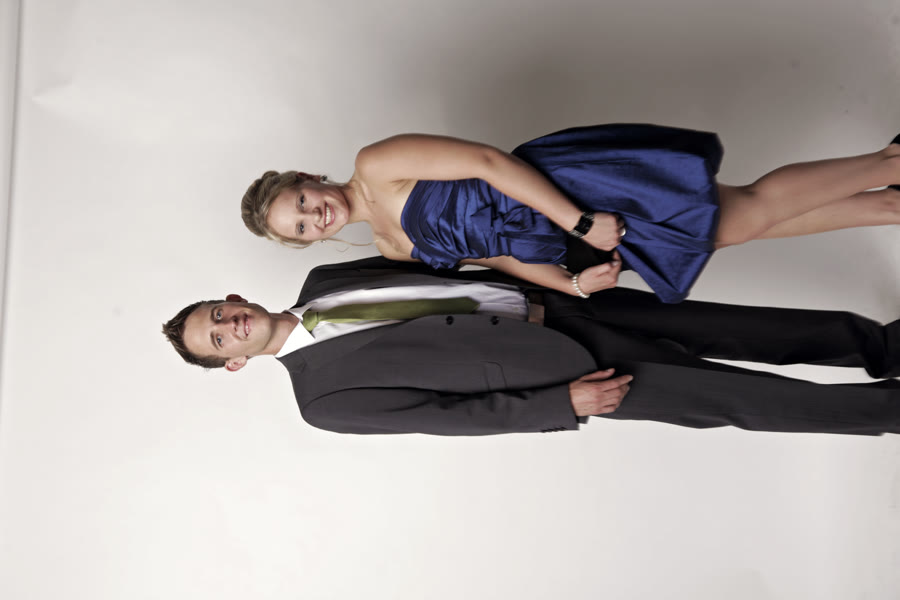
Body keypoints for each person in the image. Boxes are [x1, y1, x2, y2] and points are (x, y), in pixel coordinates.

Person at [162, 257, 899, 436]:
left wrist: (560, 275)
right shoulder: (321, 401)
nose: (230, 326)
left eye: (219, 314)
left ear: (234, 298)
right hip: (566, 370)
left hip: (566, 303)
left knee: (753, 327)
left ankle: (886, 346)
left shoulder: (325, 277)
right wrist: (560, 405)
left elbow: (443, 264)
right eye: (218, 341)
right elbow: (447, 417)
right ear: (233, 362)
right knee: (743, 398)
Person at [241, 125, 900, 303]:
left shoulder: (377, 163)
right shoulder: (390, 249)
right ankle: (888, 206)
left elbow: (488, 162)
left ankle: (889, 165)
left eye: (301, 201)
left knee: (743, 212)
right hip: (562, 242)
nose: (314, 215)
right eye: (301, 227)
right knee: (724, 230)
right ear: (310, 240)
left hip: (566, 192)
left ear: (309, 179)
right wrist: (574, 284)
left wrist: (579, 222)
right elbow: (497, 259)